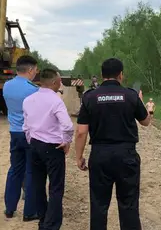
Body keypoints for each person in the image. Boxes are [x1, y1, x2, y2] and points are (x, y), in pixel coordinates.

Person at [75, 58, 150, 230]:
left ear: (102, 75)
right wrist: (142, 102)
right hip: (127, 156)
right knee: (129, 204)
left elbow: (81, 132)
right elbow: (145, 122)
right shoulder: (131, 95)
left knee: (99, 205)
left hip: (100, 156)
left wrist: (79, 157)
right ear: (121, 75)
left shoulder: (89, 97)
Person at [23, 69, 73, 230]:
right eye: (59, 81)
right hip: (52, 147)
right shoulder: (55, 101)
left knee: (38, 185)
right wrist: (66, 141)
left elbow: (26, 126)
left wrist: (31, 141)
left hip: (35, 145)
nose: (60, 83)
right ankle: (51, 225)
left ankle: (42, 220)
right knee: (56, 187)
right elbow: (67, 125)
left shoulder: (28, 100)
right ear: (53, 83)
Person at [3, 55, 39, 221]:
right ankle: (29, 212)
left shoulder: (7, 86)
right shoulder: (33, 89)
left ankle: (9, 209)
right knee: (31, 172)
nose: (36, 73)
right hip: (29, 134)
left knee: (15, 170)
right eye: (36, 70)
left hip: (14, 133)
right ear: (30, 70)